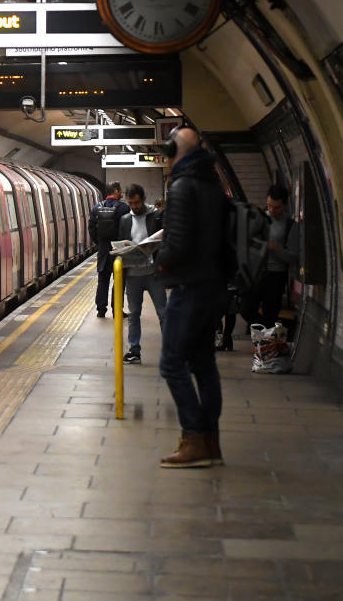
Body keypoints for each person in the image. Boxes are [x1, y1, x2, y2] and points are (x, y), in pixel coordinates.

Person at [150, 126, 228, 468]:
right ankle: (211, 442)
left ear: (174, 151)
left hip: (189, 289)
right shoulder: (213, 184)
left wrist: (158, 257)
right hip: (214, 286)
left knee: (171, 363)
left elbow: (178, 245)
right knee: (204, 365)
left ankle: (193, 437)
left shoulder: (181, 186)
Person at [240, 184, 301, 329]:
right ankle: (267, 328)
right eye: (269, 206)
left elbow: (293, 257)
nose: (272, 210)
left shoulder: (291, 226)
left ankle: (267, 338)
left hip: (276, 275)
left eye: (277, 207)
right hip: (256, 271)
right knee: (246, 309)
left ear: (285, 205)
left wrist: (277, 248)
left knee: (271, 311)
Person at [118, 183, 165, 364]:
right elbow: (120, 244)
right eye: (131, 204)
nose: (134, 207)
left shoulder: (156, 216)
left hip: (154, 273)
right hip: (133, 275)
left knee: (164, 313)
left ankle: (170, 350)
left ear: (143, 199)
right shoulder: (124, 220)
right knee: (133, 314)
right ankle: (134, 350)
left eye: (137, 203)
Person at [88, 181, 127, 318]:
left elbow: (91, 229)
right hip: (119, 249)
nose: (121, 192)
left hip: (103, 250)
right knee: (119, 280)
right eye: (120, 190)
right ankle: (117, 310)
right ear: (116, 191)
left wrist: (100, 243)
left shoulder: (96, 208)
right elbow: (128, 228)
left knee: (103, 280)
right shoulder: (123, 208)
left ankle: (101, 309)